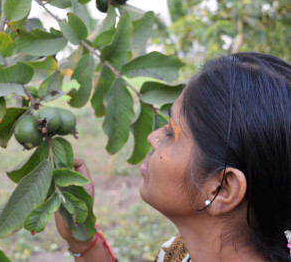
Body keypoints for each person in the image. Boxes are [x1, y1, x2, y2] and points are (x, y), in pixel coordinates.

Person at [55, 52, 291, 261]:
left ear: (222, 189)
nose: (153, 137)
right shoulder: (179, 252)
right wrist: (81, 236)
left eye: (170, 132)